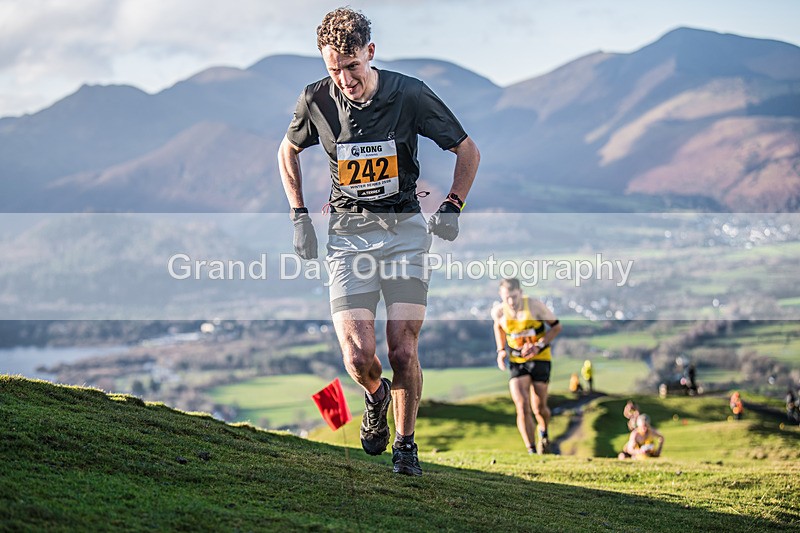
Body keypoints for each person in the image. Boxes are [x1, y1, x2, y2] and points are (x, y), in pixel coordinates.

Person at [278, 7, 480, 477]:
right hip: (348, 238)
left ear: (370, 52)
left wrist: (453, 204)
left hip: (405, 232)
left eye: (352, 66)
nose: (345, 79)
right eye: (334, 69)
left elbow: (467, 150)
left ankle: (405, 446)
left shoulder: (409, 94)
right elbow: (288, 149)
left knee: (403, 349)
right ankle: (376, 395)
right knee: (357, 356)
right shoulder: (316, 100)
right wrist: (298, 215)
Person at [492, 278, 562, 454]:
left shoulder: (535, 306)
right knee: (522, 406)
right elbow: (498, 328)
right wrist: (501, 350)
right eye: (506, 297)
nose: (511, 302)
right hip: (517, 361)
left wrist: (538, 345)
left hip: (540, 358)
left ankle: (543, 431)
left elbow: (556, 327)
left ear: (520, 293)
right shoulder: (499, 312)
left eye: (514, 297)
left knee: (539, 408)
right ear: (501, 295)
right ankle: (532, 451)